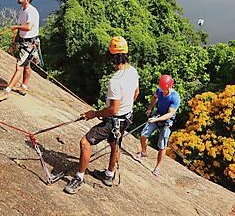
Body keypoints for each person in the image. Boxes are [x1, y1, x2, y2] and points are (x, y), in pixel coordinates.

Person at [64, 36, 140, 195]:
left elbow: (112, 109)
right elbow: (136, 93)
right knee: (115, 144)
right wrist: (126, 106)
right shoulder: (133, 71)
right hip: (127, 117)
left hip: (114, 120)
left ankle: (79, 177)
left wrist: (94, 114)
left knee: (85, 142)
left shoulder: (115, 81)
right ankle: (109, 175)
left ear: (112, 56)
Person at [0, 0, 40, 101]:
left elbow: (28, 27)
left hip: (29, 44)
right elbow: (21, 27)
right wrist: (15, 41)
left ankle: (7, 91)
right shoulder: (22, 10)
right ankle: (24, 87)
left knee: (19, 66)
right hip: (24, 41)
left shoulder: (31, 12)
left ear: (27, 0)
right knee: (27, 65)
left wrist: (16, 27)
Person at [132, 74, 181, 177]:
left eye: (164, 89)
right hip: (157, 115)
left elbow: (170, 114)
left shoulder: (175, 97)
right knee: (143, 135)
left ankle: (157, 167)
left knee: (162, 145)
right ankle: (143, 152)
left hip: (166, 120)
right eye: (162, 89)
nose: (162, 91)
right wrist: (150, 108)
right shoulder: (159, 90)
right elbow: (155, 97)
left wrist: (156, 119)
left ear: (169, 87)